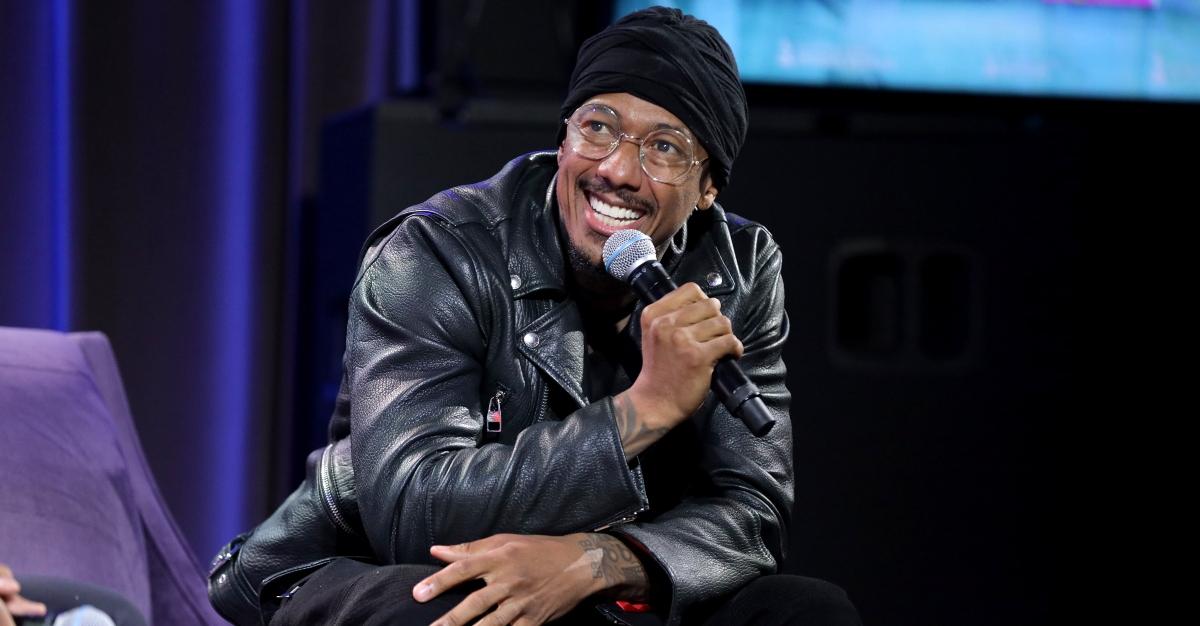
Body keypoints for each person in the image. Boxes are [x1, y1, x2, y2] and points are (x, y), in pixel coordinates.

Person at [273, 7, 860, 626]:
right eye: (598, 128)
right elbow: (411, 515)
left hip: (611, 576)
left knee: (806, 611)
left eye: (664, 148)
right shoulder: (437, 253)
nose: (616, 171)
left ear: (709, 186)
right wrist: (645, 409)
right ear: (563, 138)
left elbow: (753, 511)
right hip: (390, 570)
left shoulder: (737, 274)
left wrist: (596, 561)